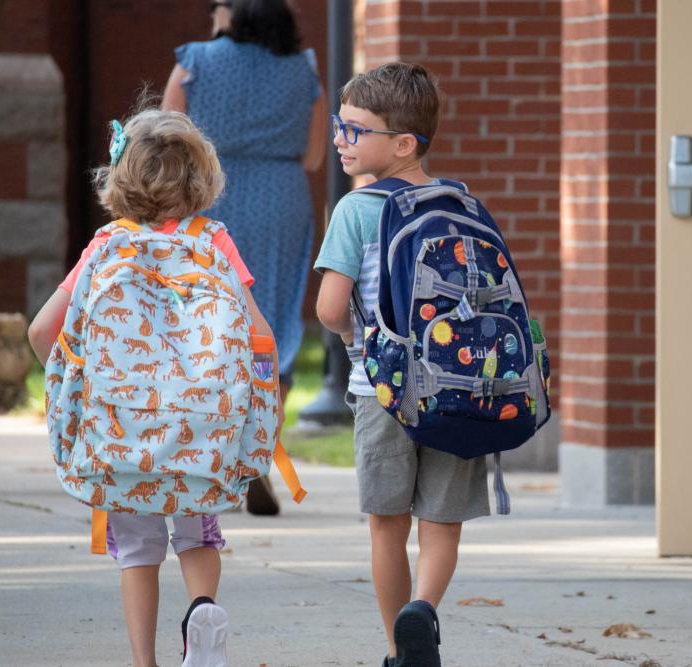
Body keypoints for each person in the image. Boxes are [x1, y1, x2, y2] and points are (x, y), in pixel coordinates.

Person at [28, 107, 283, 667]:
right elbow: (259, 338)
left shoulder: (106, 244)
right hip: (200, 430)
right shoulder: (214, 240)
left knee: (137, 550)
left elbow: (42, 330)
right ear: (201, 177)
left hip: (123, 432)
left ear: (120, 175)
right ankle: (201, 613)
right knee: (197, 535)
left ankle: (144, 661)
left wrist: (81, 384)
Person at [314, 63, 486, 667]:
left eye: (353, 128)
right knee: (441, 524)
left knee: (386, 526)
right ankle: (426, 611)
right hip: (461, 391)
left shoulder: (356, 210)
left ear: (403, 143)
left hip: (381, 391)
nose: (340, 137)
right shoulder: (462, 202)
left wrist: (352, 337)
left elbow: (331, 307)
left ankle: (397, 648)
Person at [163, 0, 327, 515]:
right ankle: (255, 459)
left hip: (209, 198)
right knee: (269, 325)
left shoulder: (193, 61)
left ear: (232, 14)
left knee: (203, 324)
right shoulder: (304, 69)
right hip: (281, 198)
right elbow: (316, 156)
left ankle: (210, 460)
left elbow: (163, 142)